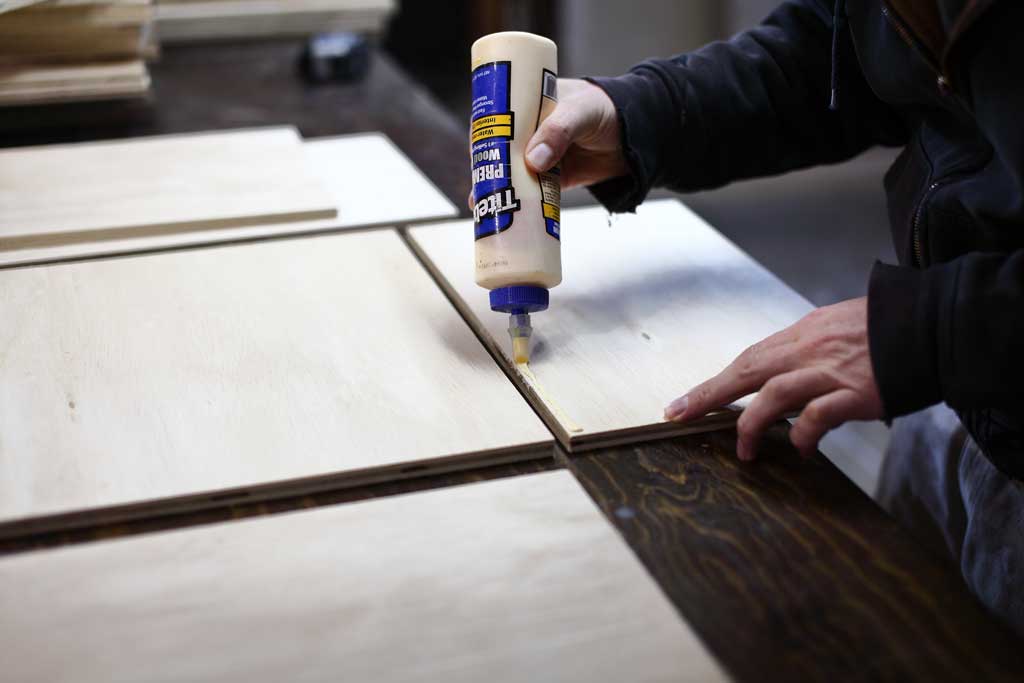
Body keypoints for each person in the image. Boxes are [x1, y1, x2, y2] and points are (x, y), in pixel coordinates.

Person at [522, 1, 1024, 634]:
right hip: (950, 396)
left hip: (973, 362)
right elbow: (838, 53)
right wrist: (638, 111)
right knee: (891, 626)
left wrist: (936, 329)